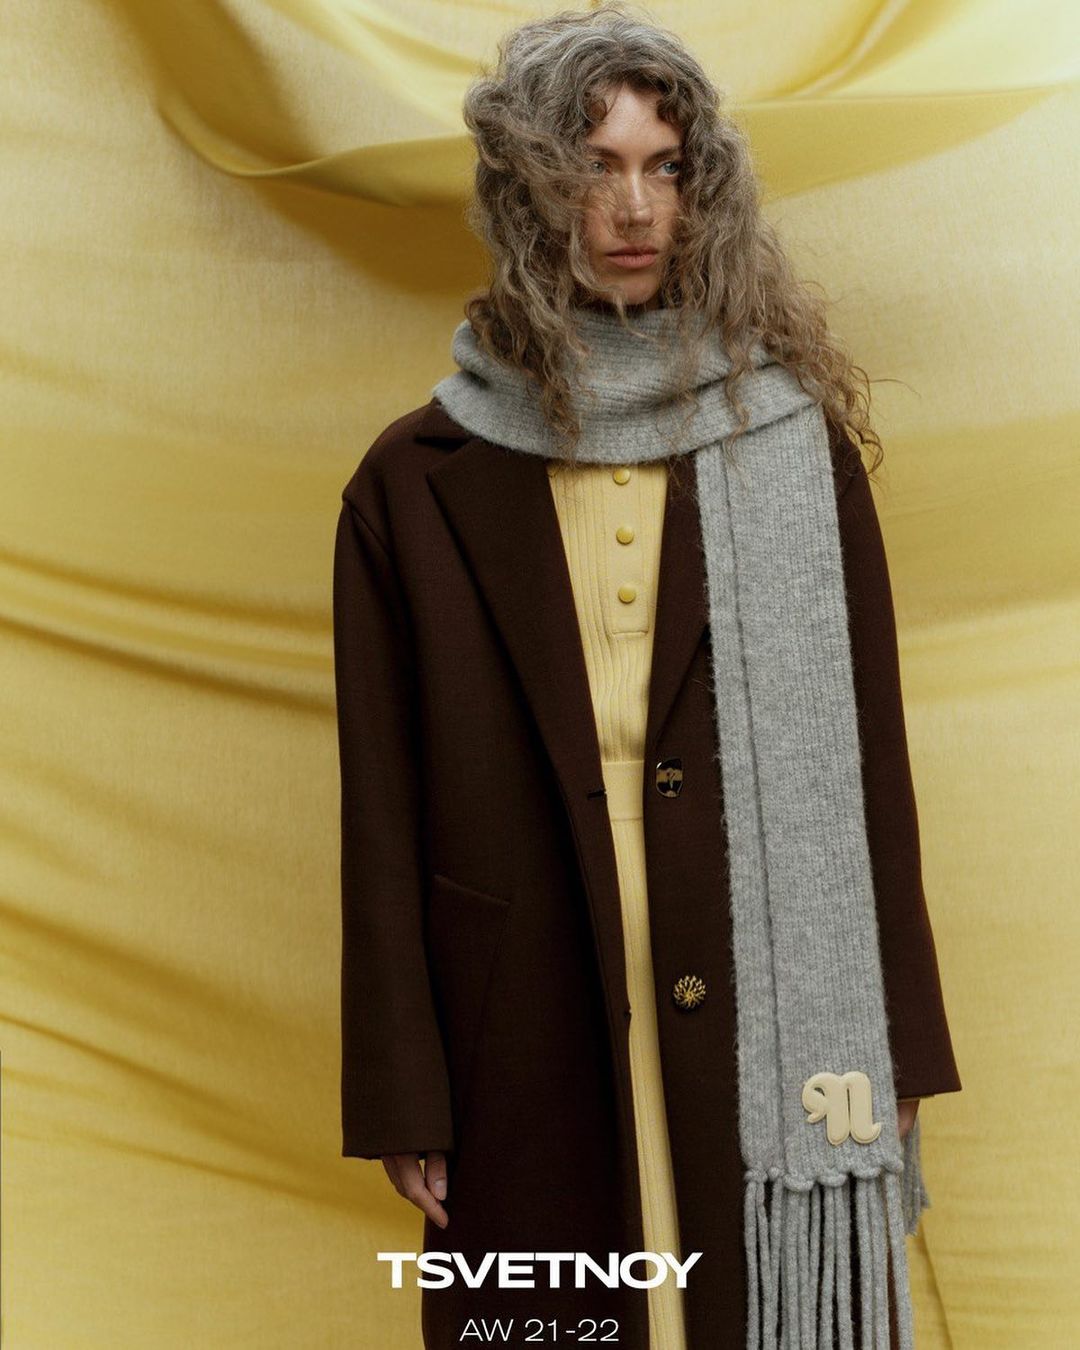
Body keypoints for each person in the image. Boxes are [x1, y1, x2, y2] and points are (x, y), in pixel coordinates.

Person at [332, 6, 962, 1347]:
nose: (633, 207)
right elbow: (379, 810)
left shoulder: (794, 443)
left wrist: (897, 1036)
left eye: (665, 166)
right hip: (519, 987)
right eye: (594, 166)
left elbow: (870, 761)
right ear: (525, 190)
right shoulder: (412, 479)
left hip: (755, 956)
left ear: (702, 186)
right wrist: (403, 1086)